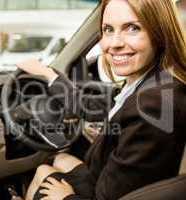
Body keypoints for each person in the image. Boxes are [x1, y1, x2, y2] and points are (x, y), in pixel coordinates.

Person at [15, 0, 186, 200]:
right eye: (108, 29)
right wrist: (47, 73)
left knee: (42, 172)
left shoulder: (151, 106)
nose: (114, 43)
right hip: (112, 178)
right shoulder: (152, 82)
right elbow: (87, 105)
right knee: (59, 158)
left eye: (132, 28)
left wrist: (65, 197)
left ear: (159, 33)